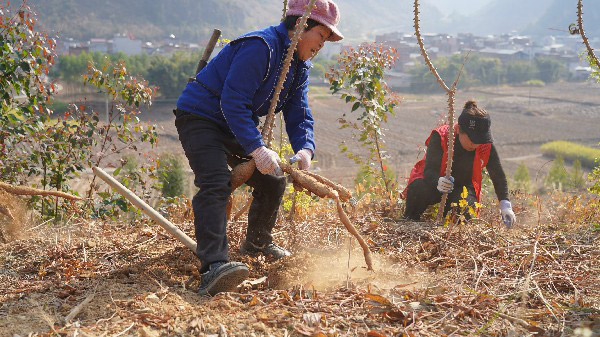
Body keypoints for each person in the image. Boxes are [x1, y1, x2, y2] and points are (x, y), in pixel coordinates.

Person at [174, 0, 343, 296]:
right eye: (322, 35)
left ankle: (257, 243)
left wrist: (305, 148)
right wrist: (256, 148)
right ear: (302, 26)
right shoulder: (261, 47)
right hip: (200, 117)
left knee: (273, 179)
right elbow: (233, 102)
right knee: (214, 183)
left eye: (327, 40)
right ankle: (213, 267)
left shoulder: (298, 67)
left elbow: (298, 112)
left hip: (233, 123)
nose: (322, 45)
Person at [402, 100, 516, 227]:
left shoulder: (485, 145)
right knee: (418, 189)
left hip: (463, 188)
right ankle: (409, 222)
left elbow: (498, 175)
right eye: (472, 139)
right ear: (459, 130)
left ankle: (452, 229)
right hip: (434, 183)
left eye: (480, 140)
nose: (476, 144)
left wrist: (505, 204)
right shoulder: (441, 136)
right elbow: (429, 170)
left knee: (464, 210)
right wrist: (438, 182)